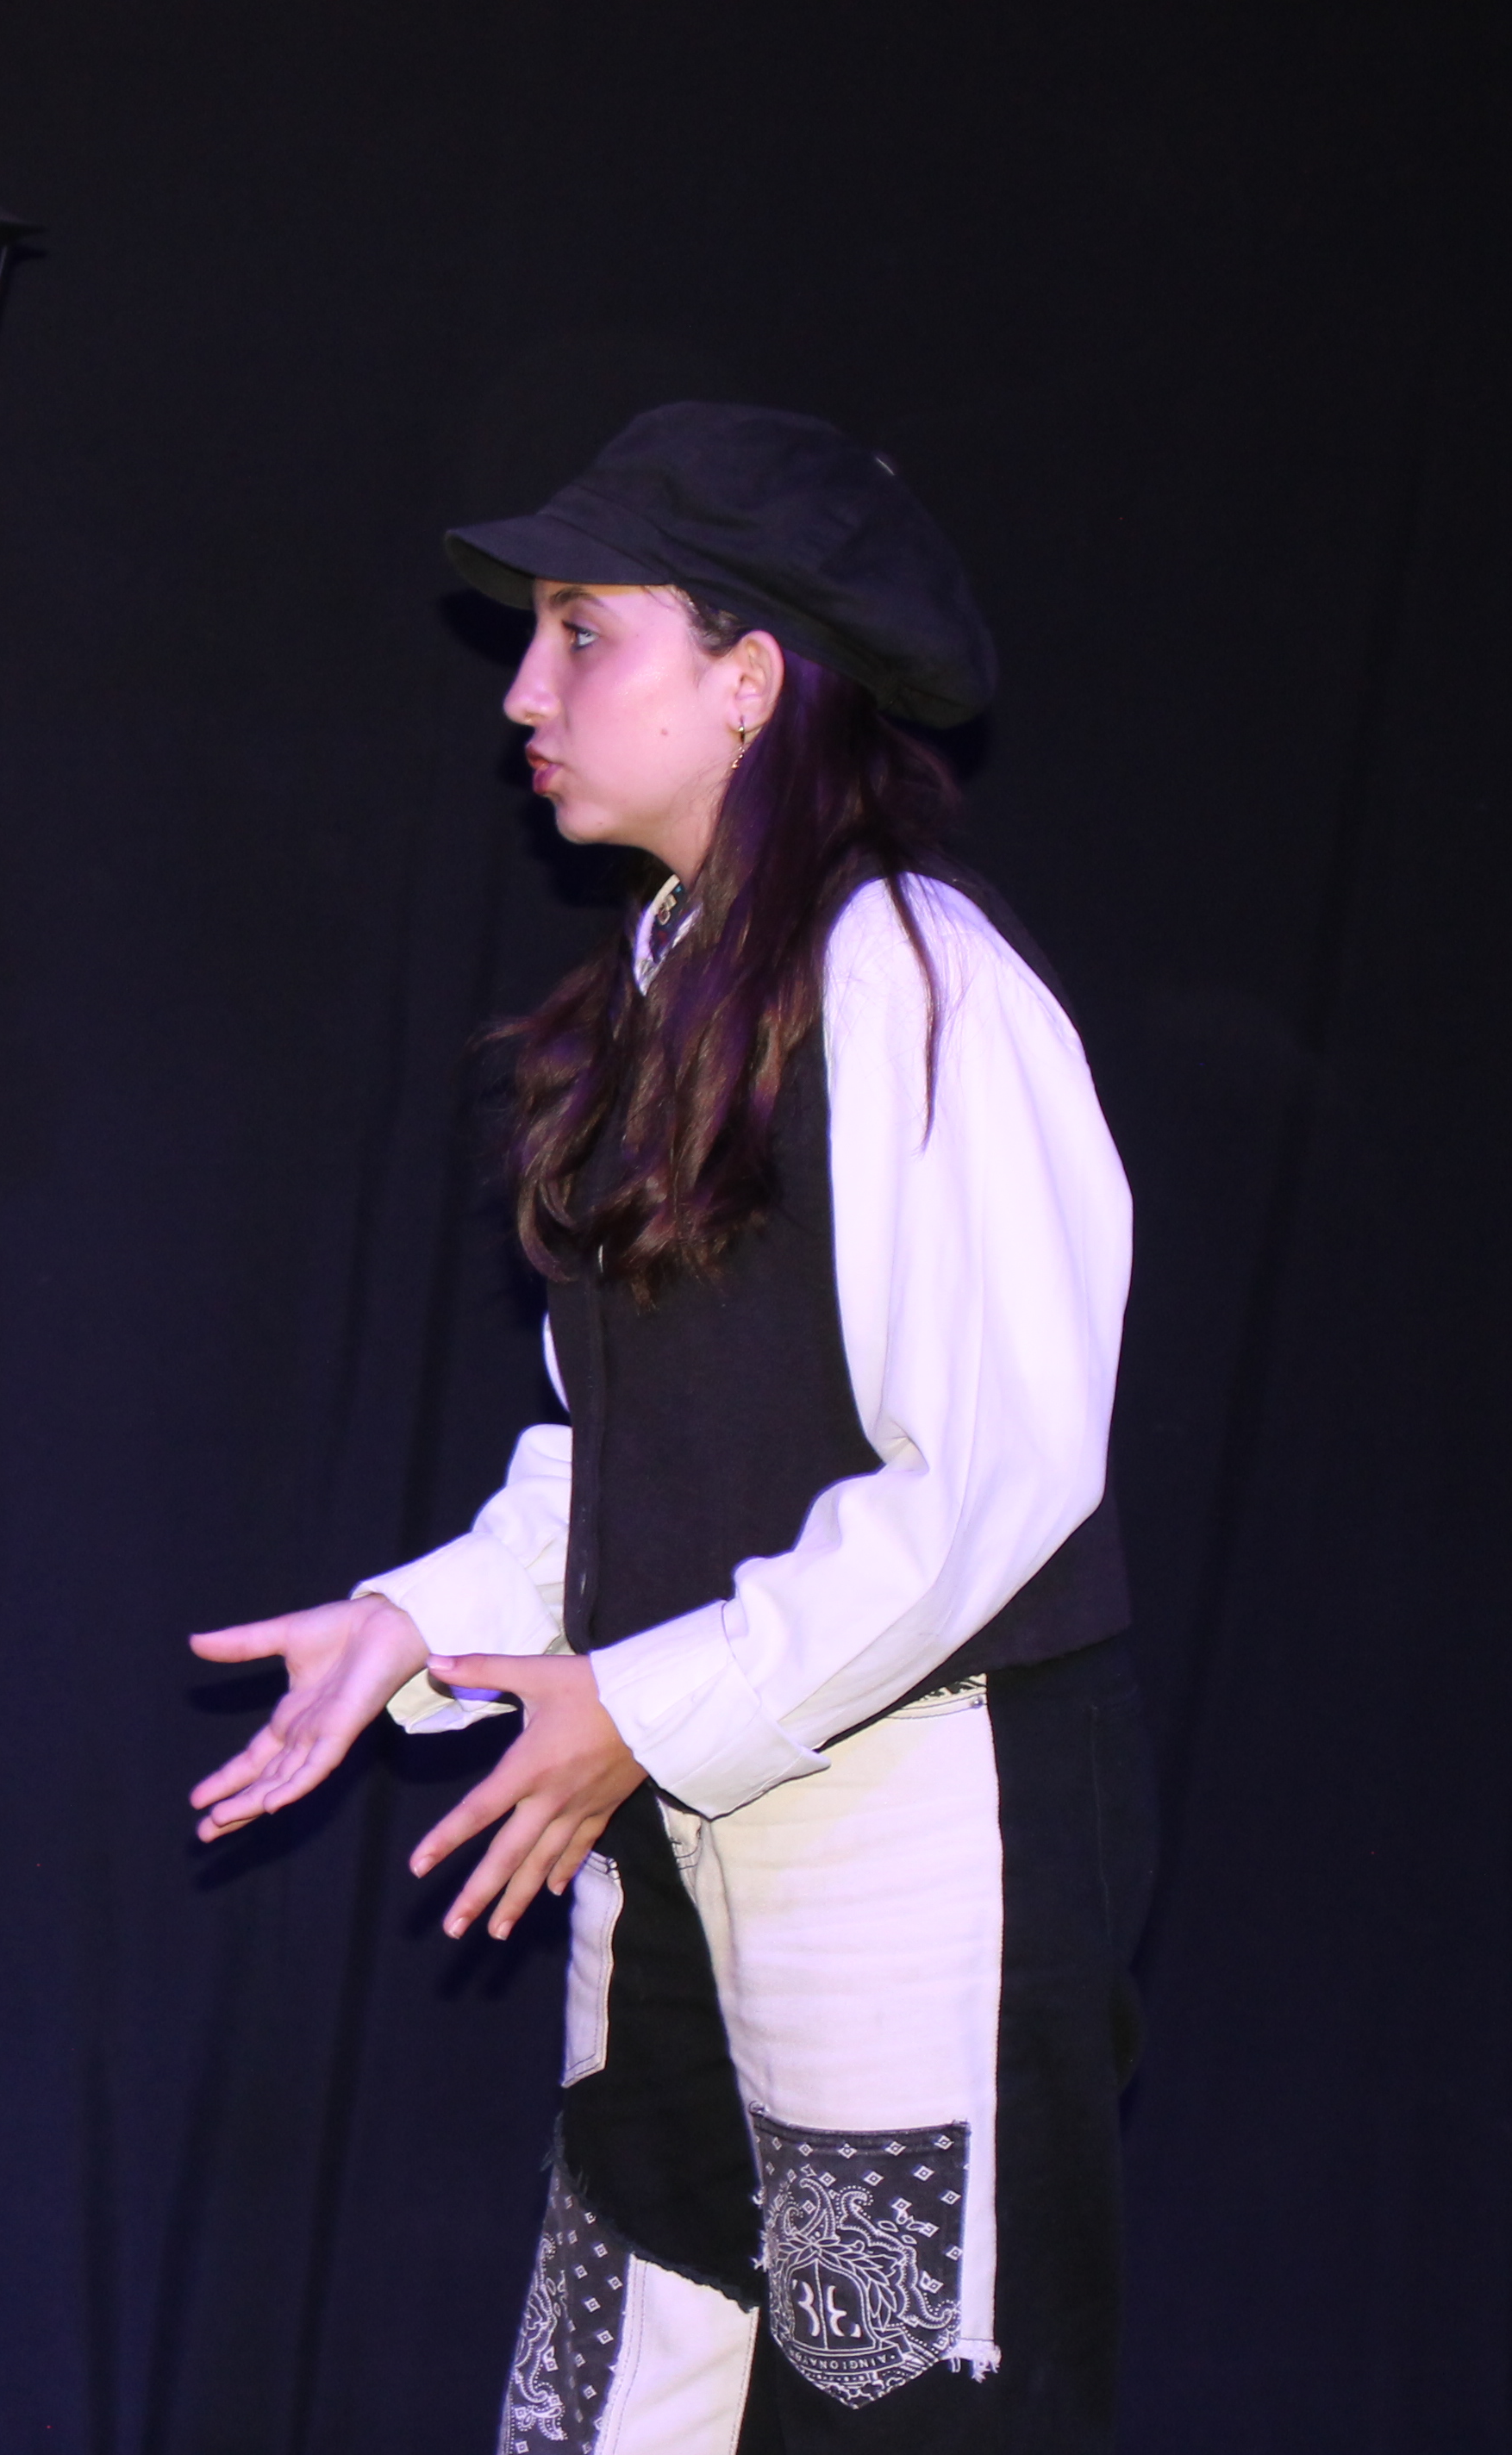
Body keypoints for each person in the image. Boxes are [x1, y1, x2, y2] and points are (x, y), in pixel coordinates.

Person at [187, 406, 1150, 2452]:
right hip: (685, 1830)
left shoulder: (914, 977)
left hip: (912, 1836)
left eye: (580, 630)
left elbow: (991, 1476)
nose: (523, 693)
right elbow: (625, 1447)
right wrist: (425, 1623)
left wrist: (645, 1700)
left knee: (900, 2402)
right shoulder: (668, 981)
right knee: (630, 2388)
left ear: (749, 679)